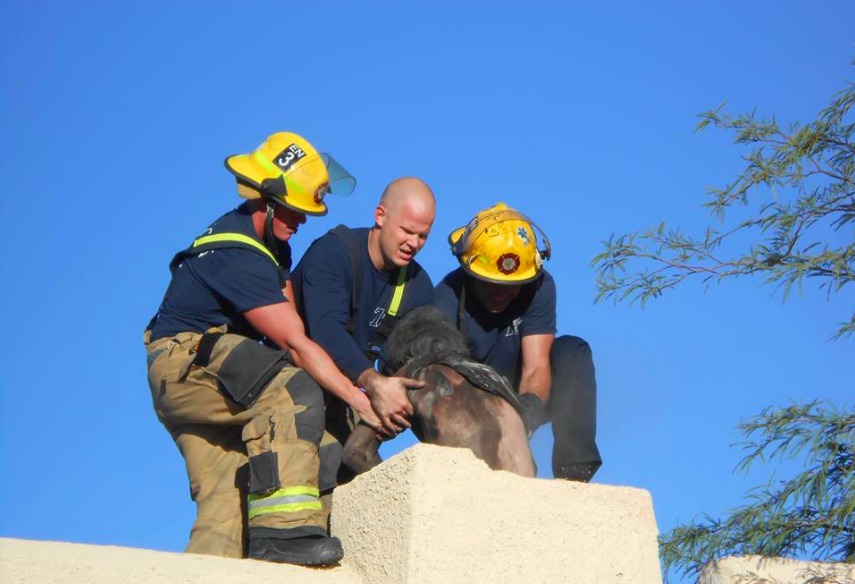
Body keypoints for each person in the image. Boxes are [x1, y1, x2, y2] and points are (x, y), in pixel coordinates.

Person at [144, 132, 381, 565]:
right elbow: (293, 343)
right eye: (293, 210)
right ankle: (286, 537)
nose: (303, 220)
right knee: (293, 393)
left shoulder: (273, 248)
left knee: (226, 506)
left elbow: (297, 330)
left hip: (193, 382)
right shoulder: (241, 255)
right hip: (187, 363)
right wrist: (357, 398)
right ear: (266, 199)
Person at [431, 203, 602, 482]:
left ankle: (574, 477)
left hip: (520, 392)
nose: (501, 294)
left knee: (573, 351)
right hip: (469, 402)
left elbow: (536, 366)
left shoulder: (540, 287)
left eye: (511, 287)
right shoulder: (445, 301)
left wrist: (527, 414)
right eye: (490, 284)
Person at [290, 177, 436, 477]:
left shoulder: (418, 286)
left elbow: (413, 362)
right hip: (295, 384)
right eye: (407, 231)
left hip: (350, 402)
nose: (413, 243)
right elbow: (325, 330)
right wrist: (373, 383)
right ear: (380, 216)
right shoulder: (333, 253)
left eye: (422, 236)